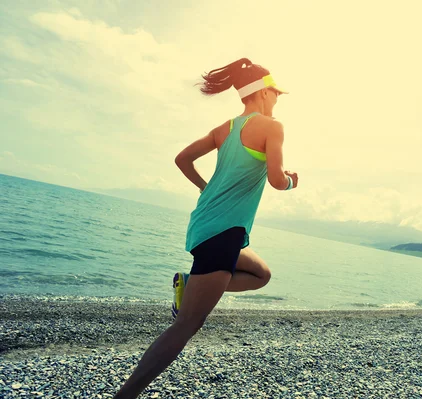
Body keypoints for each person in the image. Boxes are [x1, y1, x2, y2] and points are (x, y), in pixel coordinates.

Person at [113, 58, 297, 399]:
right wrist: (291, 183)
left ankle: (188, 285)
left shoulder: (223, 129)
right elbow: (275, 179)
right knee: (186, 325)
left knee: (261, 274)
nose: (278, 99)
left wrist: (204, 187)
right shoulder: (272, 127)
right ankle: (126, 395)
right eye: (276, 93)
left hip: (207, 225)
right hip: (222, 234)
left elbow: (182, 158)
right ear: (263, 91)